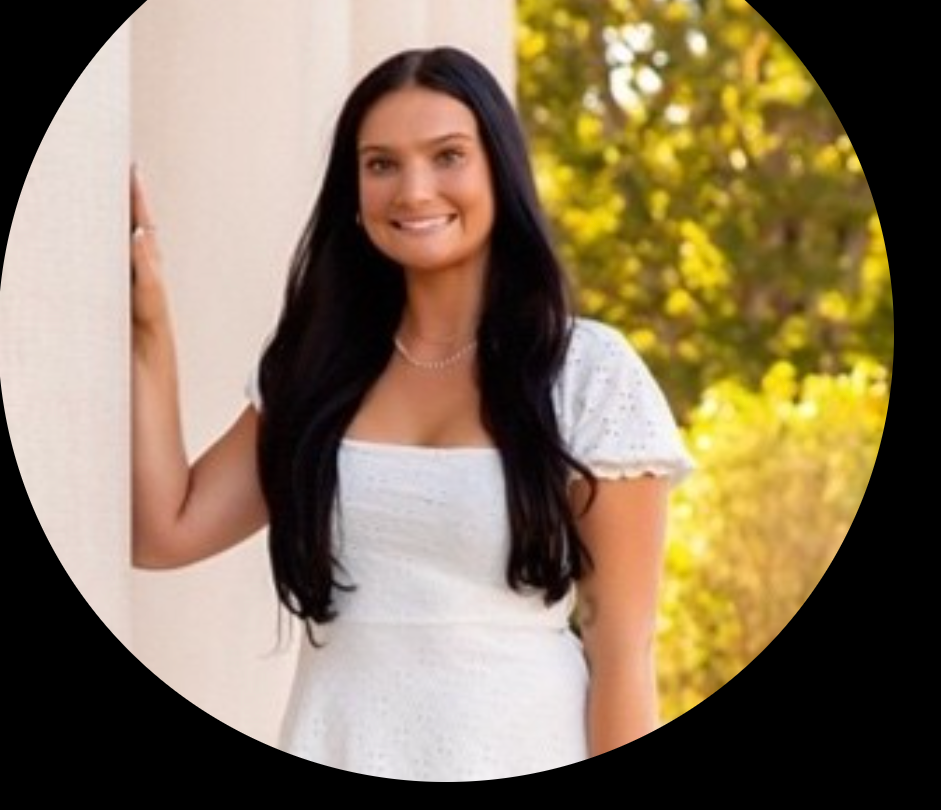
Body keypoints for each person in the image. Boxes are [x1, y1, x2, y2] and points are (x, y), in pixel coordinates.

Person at [131, 46, 696, 781]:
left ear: (500, 168)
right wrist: (150, 332)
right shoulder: (317, 365)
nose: (414, 190)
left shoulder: (589, 373)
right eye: (381, 164)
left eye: (448, 156)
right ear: (354, 190)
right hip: (336, 742)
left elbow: (624, 649)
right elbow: (164, 530)